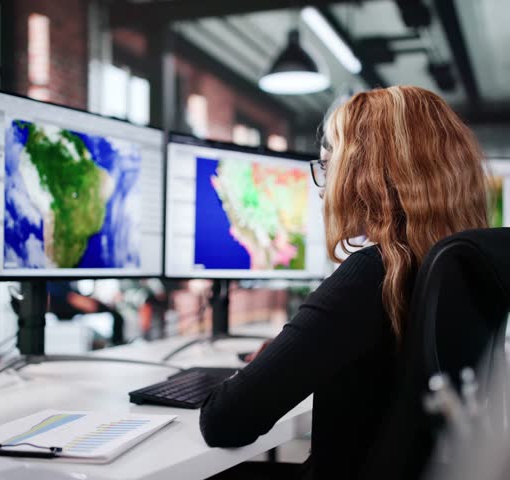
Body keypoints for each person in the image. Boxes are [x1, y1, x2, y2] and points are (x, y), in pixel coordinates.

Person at [199, 86, 490, 479]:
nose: (323, 185)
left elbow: (225, 419)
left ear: (366, 175)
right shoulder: (457, 265)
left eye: (328, 164)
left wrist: (262, 372)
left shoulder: (372, 273)